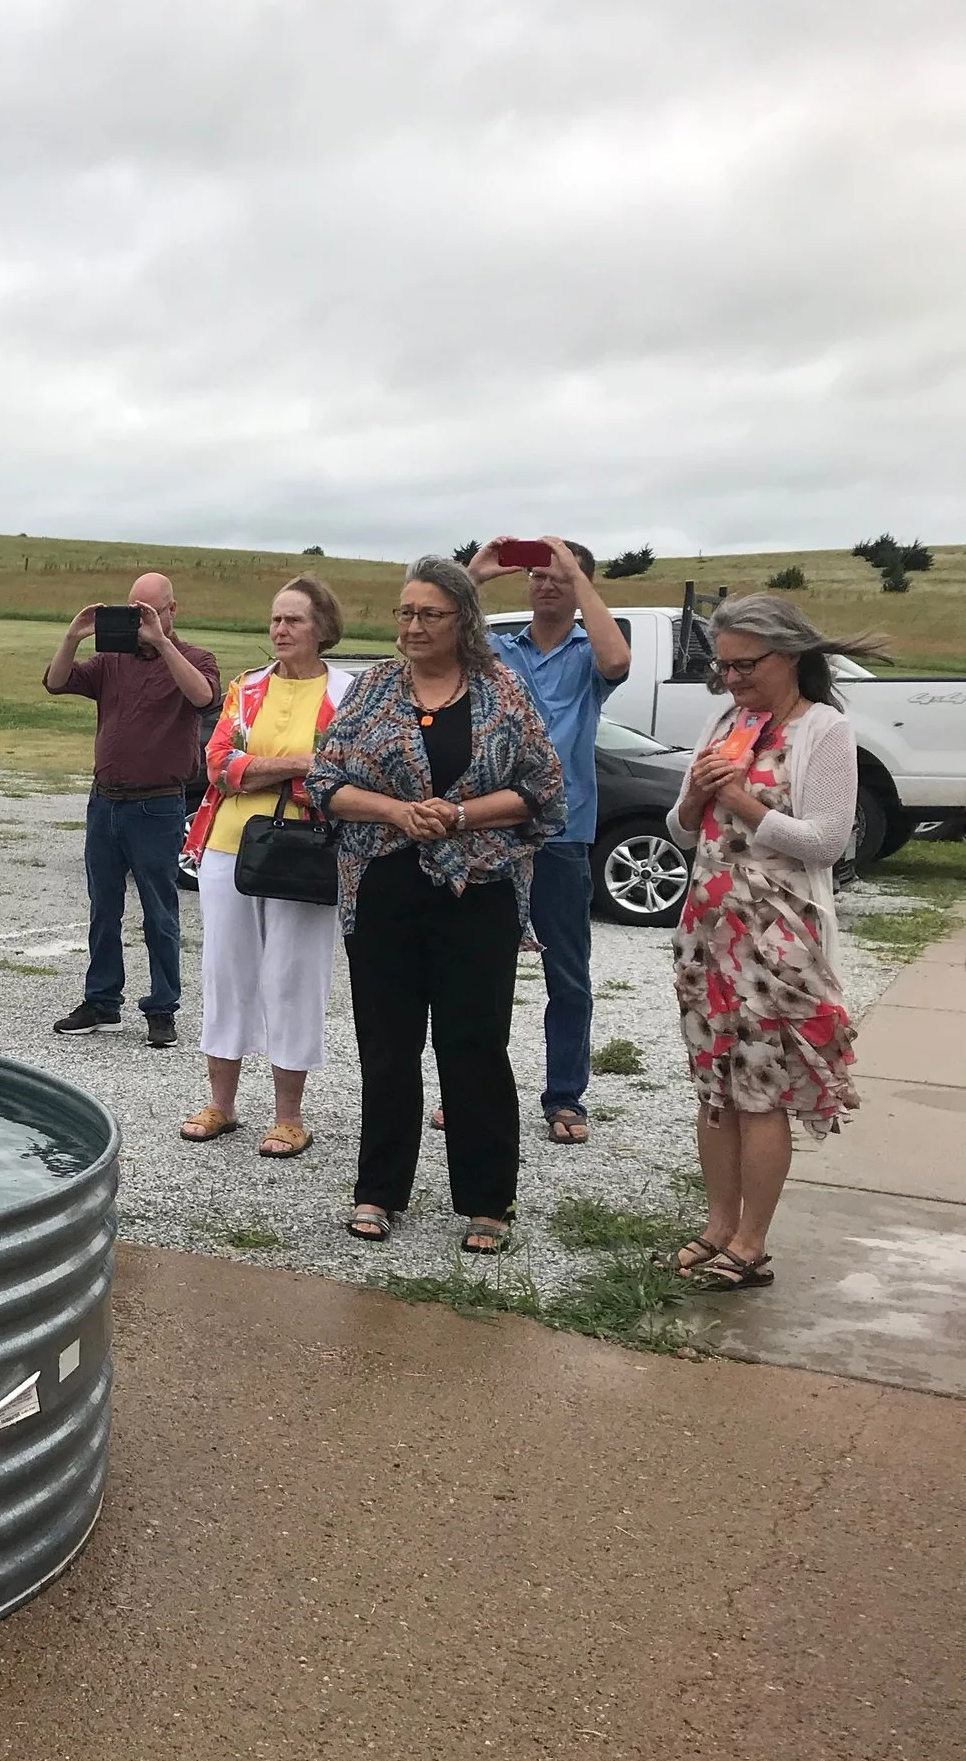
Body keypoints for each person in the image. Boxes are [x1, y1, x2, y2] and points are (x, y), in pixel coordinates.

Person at [306, 555, 565, 1252]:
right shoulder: (371, 689)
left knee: (474, 1045)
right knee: (386, 1045)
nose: (413, 626)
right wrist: (397, 810)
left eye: (429, 614)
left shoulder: (500, 690)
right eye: (405, 612)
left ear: (462, 621)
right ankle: (378, 1190)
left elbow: (542, 790)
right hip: (385, 886)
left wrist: (459, 815)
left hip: (476, 892)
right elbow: (324, 780)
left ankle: (487, 1202)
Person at [664, 596, 884, 1291]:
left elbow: (827, 839)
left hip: (779, 942)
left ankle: (751, 1243)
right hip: (707, 933)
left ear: (789, 655)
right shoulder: (724, 720)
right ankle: (717, 1225)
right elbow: (678, 829)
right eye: (720, 664)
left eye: (744, 664)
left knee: (761, 1093)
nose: (729, 678)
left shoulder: (825, 729)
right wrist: (698, 796)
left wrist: (748, 805)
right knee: (714, 1089)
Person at [176, 576, 355, 1157]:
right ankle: (221, 1104)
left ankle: (288, 1116)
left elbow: (340, 774)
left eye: (294, 620)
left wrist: (263, 767)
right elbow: (218, 765)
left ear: (322, 629)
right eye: (276, 619)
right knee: (225, 971)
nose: (280, 630)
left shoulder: (350, 693)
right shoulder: (247, 688)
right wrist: (295, 762)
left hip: (306, 852)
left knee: (293, 975)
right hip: (229, 845)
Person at [471, 535, 630, 1145]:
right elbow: (432, 630)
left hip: (562, 834)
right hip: (490, 829)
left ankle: (565, 1097)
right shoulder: (498, 648)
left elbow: (618, 663)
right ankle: (475, 1091)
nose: (545, 583)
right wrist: (477, 574)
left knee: (567, 972)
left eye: (558, 575)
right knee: (481, 969)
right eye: (536, 574)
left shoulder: (592, 652)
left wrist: (578, 575)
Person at [44, 573, 222, 1046]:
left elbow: (204, 698)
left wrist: (162, 644)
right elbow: (56, 683)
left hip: (158, 806)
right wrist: (72, 636)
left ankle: (162, 1007)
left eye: (148, 611)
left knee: (160, 911)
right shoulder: (111, 661)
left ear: (171, 610)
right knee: (104, 908)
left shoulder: (195, 659)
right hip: (105, 803)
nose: (138, 620)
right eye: (131, 610)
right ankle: (102, 1001)